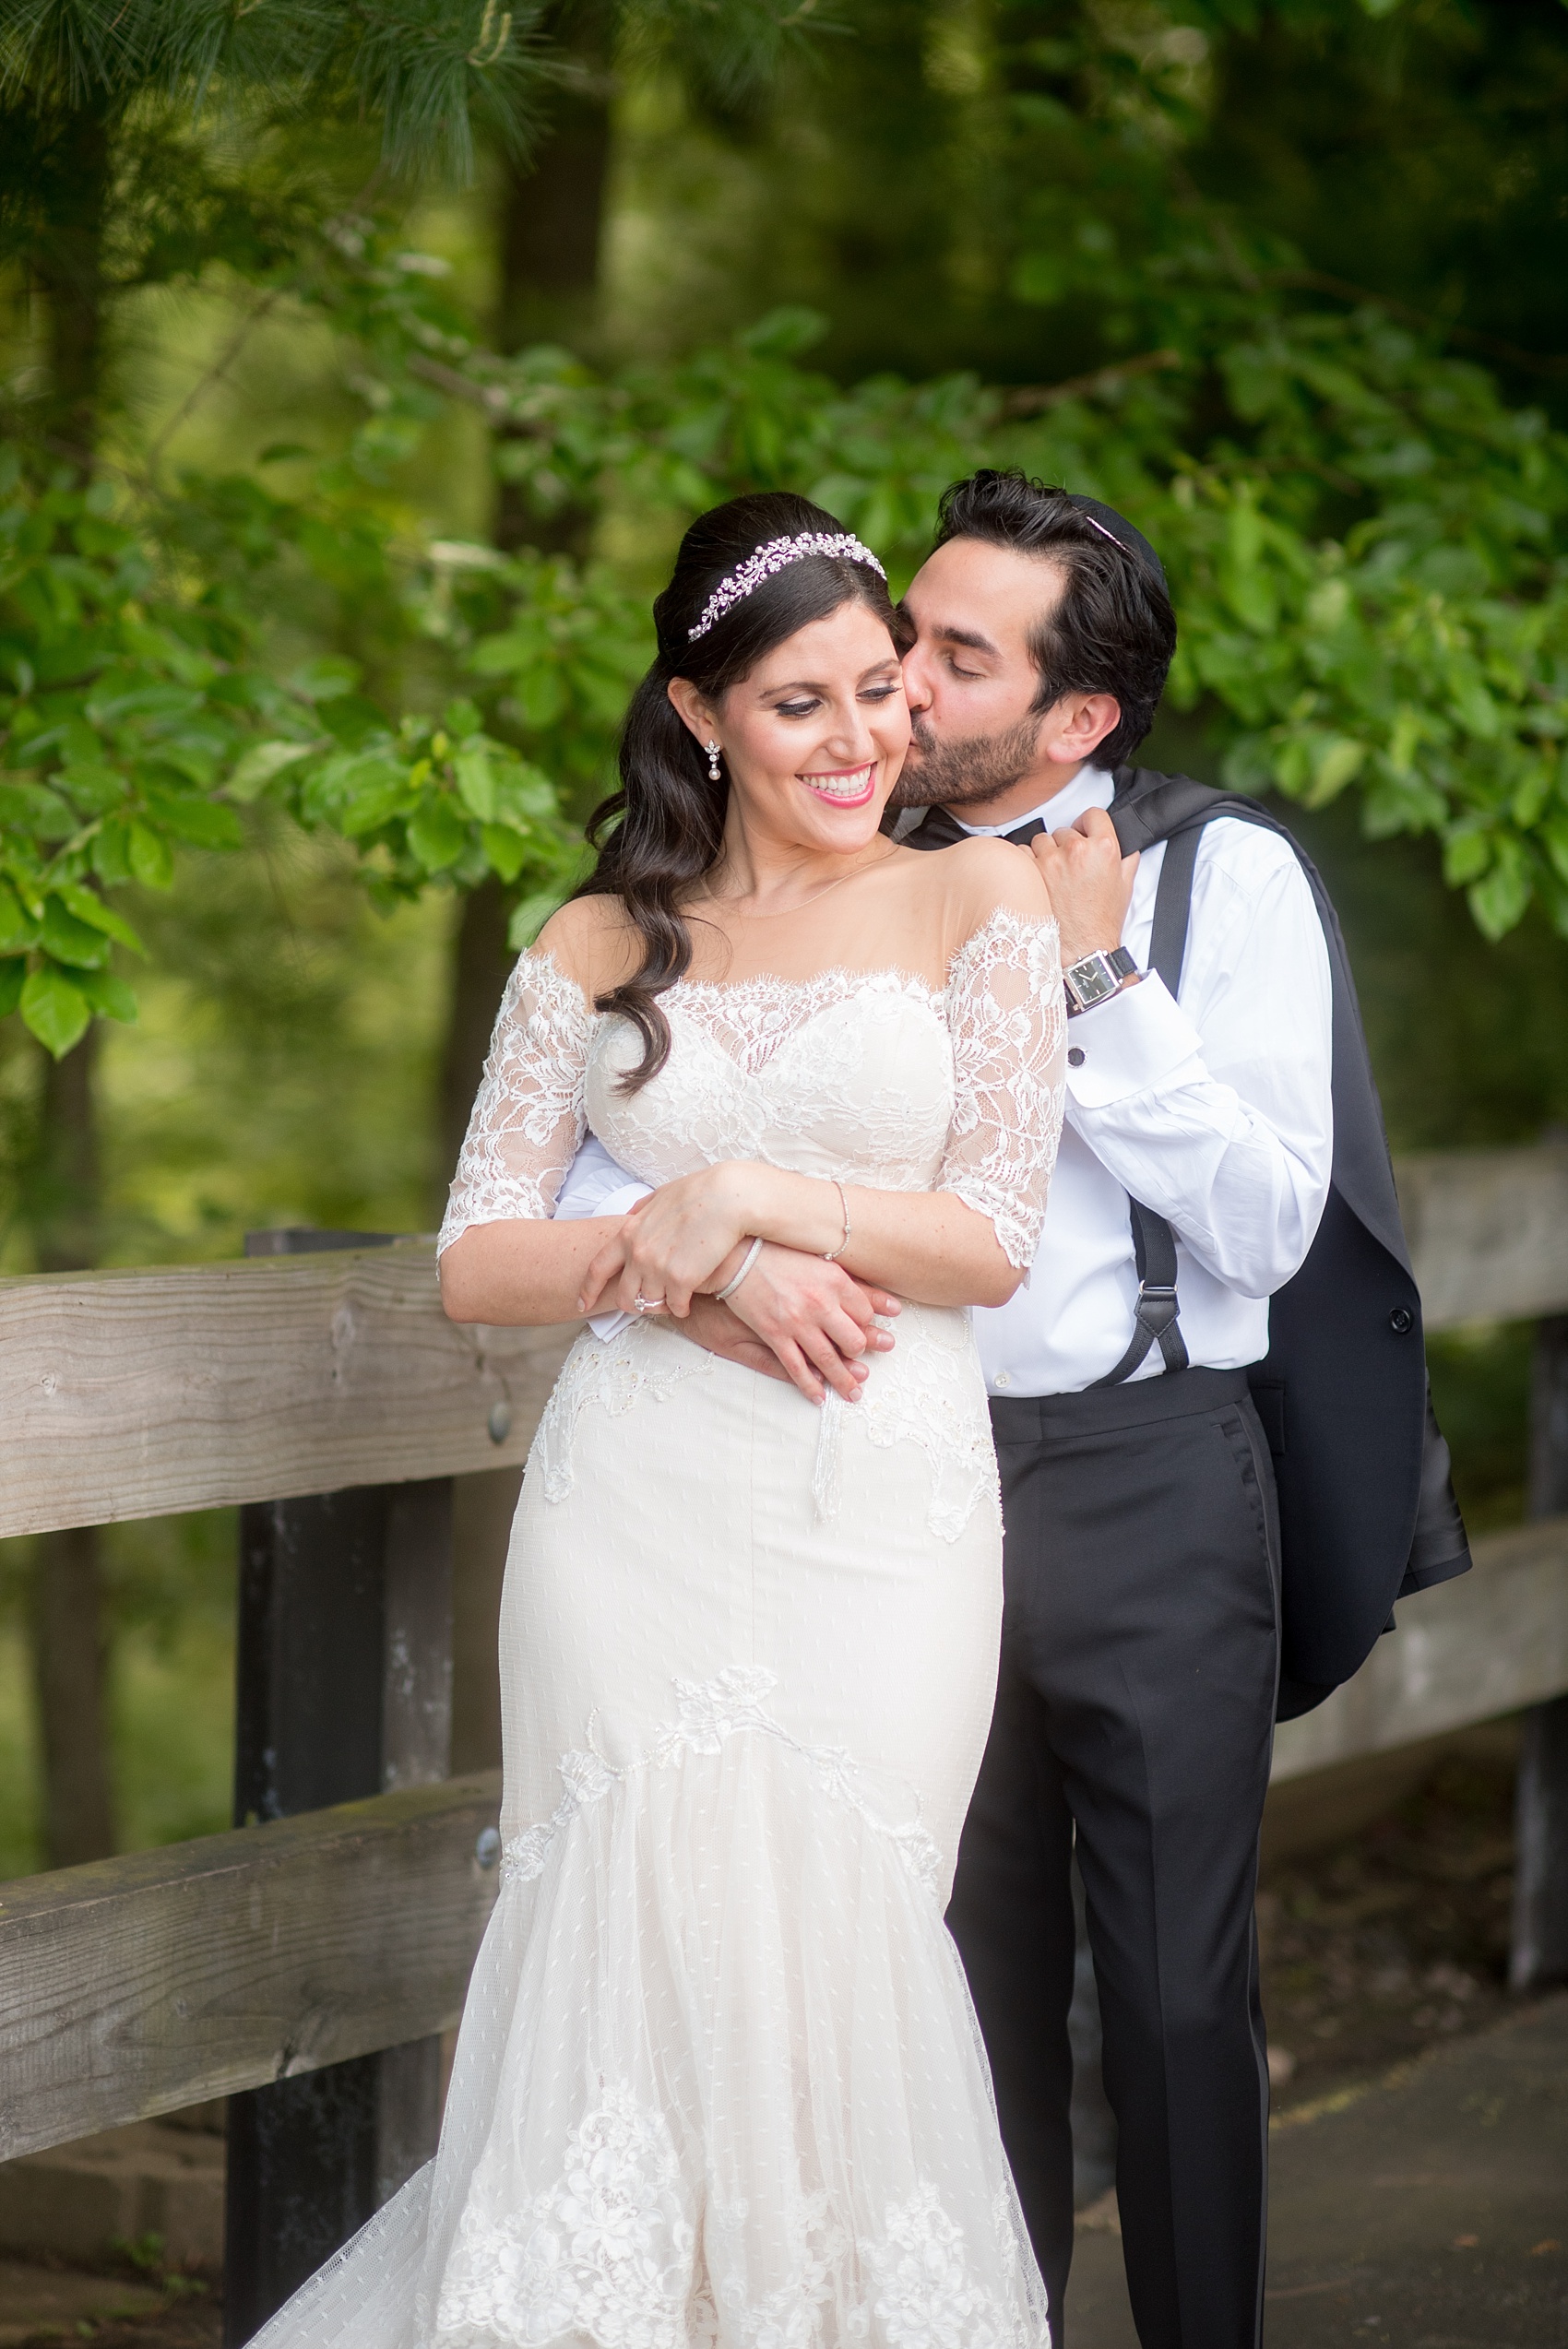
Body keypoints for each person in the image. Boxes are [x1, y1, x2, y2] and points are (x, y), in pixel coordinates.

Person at [559, 471, 1467, 2348]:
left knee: (1170, 1992)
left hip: (1149, 1484)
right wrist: (719, 1250)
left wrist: (1097, 971)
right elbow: (607, 1163)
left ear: (1077, 718)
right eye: (905, 638)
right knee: (940, 1982)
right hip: (882, 1491)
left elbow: (1275, 1222)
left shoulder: (1229, 880)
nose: (894, 682)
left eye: (950, 658)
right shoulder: (820, 871)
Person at [243, 490, 1065, 2349]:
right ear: (700, 712)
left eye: (881, 691)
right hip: (638, 1511)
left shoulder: (975, 895)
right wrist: (684, 1259)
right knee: (624, 1942)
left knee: (841, 1950)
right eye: (800, 702)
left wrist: (758, 1191)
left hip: (879, 1499)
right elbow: (476, 1259)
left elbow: (994, 1235)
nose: (862, 738)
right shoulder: (603, 936)